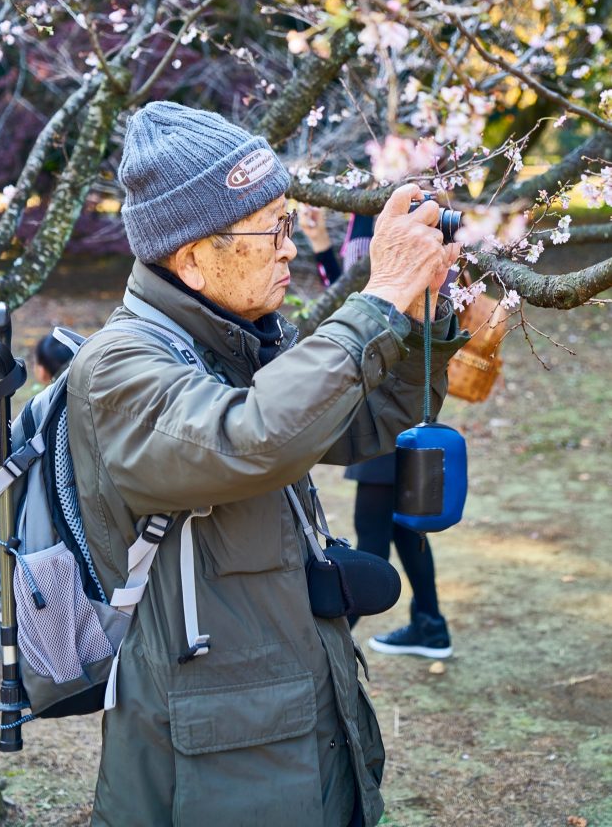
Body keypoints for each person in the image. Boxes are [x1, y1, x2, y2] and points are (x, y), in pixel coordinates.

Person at [66, 102, 466, 827]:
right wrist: (376, 302)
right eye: (272, 229)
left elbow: (358, 427)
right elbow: (250, 439)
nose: (289, 249)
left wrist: (421, 313)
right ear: (190, 257)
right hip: (212, 760)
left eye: (290, 224)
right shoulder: (120, 367)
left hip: (289, 714)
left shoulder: (236, 342)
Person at [299, 205, 456, 660]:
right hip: (374, 387)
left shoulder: (412, 217)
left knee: (373, 532)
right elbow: (352, 299)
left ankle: (330, 632)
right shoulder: (362, 218)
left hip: (391, 391)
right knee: (404, 527)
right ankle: (431, 625)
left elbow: (406, 303)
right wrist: (323, 246)